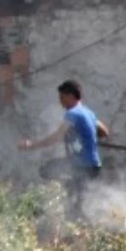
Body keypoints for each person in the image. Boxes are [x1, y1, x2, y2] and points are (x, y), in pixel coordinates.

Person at [18, 79, 110, 219]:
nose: (61, 102)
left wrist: (31, 145)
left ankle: (68, 192)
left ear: (71, 96)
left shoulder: (72, 114)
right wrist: (87, 135)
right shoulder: (88, 113)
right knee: (75, 199)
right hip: (93, 165)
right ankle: (70, 191)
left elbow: (56, 138)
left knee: (47, 171)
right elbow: (104, 132)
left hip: (82, 165)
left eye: (62, 97)